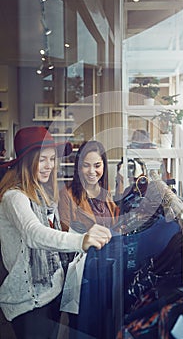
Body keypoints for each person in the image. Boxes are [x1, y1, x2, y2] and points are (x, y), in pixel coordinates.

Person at [58, 140, 183, 338]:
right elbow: (66, 234)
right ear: (78, 166)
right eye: (86, 165)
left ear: (103, 166)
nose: (92, 171)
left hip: (108, 273)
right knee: (82, 327)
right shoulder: (67, 194)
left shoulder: (105, 194)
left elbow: (118, 225)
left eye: (97, 165)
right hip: (84, 277)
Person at [0, 126, 111, 339]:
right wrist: (82, 240)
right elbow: (35, 234)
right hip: (29, 302)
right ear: (27, 160)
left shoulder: (42, 193)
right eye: (42, 159)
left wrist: (88, 231)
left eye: (52, 159)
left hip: (52, 294)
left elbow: (55, 233)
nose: (49, 166)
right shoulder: (14, 197)